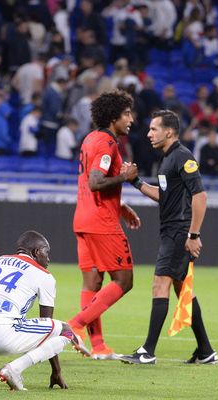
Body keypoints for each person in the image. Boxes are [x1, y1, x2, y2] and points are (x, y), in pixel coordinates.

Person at [119, 109, 218, 365]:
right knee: (182, 287)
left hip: (179, 232)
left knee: (159, 284)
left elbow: (200, 196)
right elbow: (165, 196)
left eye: (154, 129)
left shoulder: (183, 157)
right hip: (173, 230)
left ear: (169, 131)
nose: (149, 133)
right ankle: (206, 351)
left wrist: (193, 234)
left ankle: (147, 351)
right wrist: (136, 182)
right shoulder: (168, 160)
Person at [0, 231, 90, 391]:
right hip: (1, 336)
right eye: (46, 252)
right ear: (36, 252)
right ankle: (14, 369)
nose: (48, 259)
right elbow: (49, 326)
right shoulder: (44, 275)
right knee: (65, 330)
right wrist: (56, 370)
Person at [68, 90, 141, 360]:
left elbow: (92, 179)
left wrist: (121, 207)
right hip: (101, 223)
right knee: (124, 280)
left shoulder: (90, 139)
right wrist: (125, 177)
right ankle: (75, 326)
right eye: (126, 114)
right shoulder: (107, 144)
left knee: (92, 281)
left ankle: (98, 347)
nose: (130, 119)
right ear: (113, 117)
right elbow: (96, 181)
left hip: (83, 218)